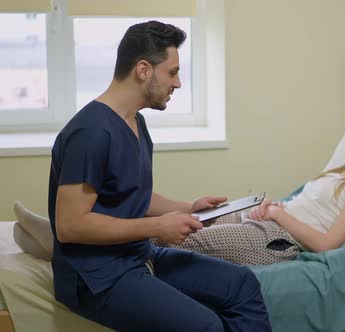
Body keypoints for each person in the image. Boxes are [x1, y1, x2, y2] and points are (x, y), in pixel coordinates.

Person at [43, 21, 271, 332]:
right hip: (95, 277)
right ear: (143, 70)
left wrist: (191, 207)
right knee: (205, 325)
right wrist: (157, 227)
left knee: (242, 285)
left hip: (134, 256)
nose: (177, 83)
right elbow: (71, 226)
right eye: (172, 72)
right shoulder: (91, 133)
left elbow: (129, 195)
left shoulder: (135, 123)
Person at [152, 113, 345, 265]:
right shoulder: (341, 172)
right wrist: (272, 208)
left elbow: (326, 245)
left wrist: (278, 214)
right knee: (186, 220)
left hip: (276, 239)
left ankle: (120, 253)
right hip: (265, 219)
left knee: (182, 238)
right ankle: (122, 236)